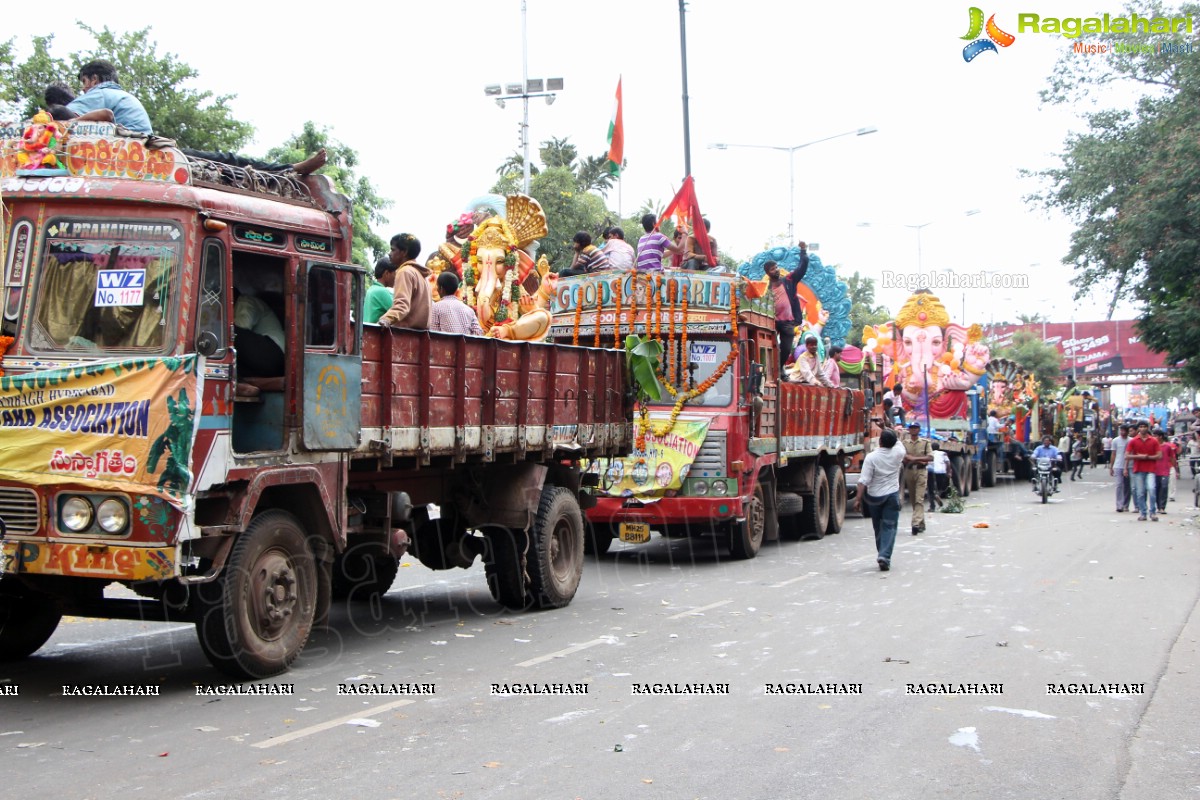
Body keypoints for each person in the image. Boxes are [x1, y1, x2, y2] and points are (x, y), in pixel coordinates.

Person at [851, 428, 907, 571]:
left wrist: (857, 499)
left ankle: (882, 553)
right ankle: (884, 555)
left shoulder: (871, 457)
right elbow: (898, 441)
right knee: (889, 526)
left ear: (880, 441)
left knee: (878, 527)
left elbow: (863, 481)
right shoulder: (899, 453)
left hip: (874, 497)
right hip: (891, 495)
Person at [65, 60, 153, 134]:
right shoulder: (126, 96)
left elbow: (62, 116)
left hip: (127, 146)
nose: (83, 89)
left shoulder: (100, 93)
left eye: (84, 81)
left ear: (94, 79)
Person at [378, 233, 432, 330]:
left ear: (404, 252)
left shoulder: (405, 272)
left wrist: (386, 319)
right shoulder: (420, 274)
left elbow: (402, 305)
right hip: (419, 335)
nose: (389, 253)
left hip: (404, 335)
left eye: (393, 250)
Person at [234, 290, 285, 378]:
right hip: (268, 360)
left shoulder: (245, 302)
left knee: (231, 332)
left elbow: (238, 331)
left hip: (274, 353)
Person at [763, 260, 802, 372]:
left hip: (788, 322)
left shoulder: (787, 281)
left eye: (776, 267)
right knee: (770, 347)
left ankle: (779, 369)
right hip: (772, 322)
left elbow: (801, 270)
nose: (776, 270)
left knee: (786, 349)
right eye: (772, 269)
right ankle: (771, 371)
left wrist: (803, 254)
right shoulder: (766, 288)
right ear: (767, 273)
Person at [902, 422, 933, 535]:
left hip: (921, 471)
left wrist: (914, 459)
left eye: (916, 428)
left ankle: (915, 523)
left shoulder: (925, 443)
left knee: (919, 498)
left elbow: (930, 457)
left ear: (919, 429)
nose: (914, 430)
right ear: (909, 430)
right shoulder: (904, 443)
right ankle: (921, 523)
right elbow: (903, 458)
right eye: (912, 428)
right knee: (913, 499)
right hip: (909, 472)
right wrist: (918, 459)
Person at [1126, 422, 1161, 521]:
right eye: (1140, 427)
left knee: (1152, 490)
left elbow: (1159, 455)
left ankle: (1153, 512)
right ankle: (1143, 513)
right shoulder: (1133, 441)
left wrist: (1148, 457)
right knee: (1140, 493)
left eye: (1144, 426)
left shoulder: (1154, 441)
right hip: (1138, 470)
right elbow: (1127, 455)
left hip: (1151, 470)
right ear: (1138, 429)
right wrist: (1139, 456)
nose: (1143, 428)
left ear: (1148, 428)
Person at [431, 271, 485, 335]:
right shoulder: (469, 310)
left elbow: (433, 335)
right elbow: (478, 333)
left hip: (445, 345)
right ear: (456, 289)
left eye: (437, 285)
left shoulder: (435, 308)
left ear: (441, 289)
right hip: (466, 344)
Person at [363, 257, 395, 324]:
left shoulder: (372, 289)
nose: (396, 277)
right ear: (387, 273)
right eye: (395, 274)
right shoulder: (382, 292)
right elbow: (400, 311)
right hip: (375, 333)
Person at [1153, 430, 1178, 514]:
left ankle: (1162, 507)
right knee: (1157, 488)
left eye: (1156, 436)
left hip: (1165, 470)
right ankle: (1158, 506)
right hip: (1155, 470)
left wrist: (1175, 469)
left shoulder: (1167, 446)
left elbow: (1172, 458)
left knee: (1164, 487)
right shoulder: (1153, 446)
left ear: (1160, 437)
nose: (1154, 438)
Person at [1110, 424, 1131, 512]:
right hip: (1118, 466)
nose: (1122, 432)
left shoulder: (1131, 441)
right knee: (1119, 485)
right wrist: (1111, 467)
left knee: (1127, 486)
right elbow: (1113, 454)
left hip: (1129, 466)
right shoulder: (1115, 441)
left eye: (1124, 431)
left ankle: (1126, 504)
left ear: (1127, 431)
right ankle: (1119, 505)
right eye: (1121, 430)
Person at [927, 442, 949, 511]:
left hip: (931, 471)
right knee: (939, 487)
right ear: (939, 448)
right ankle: (937, 494)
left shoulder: (929, 453)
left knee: (930, 489)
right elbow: (948, 463)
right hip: (941, 472)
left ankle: (932, 506)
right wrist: (949, 472)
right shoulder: (943, 453)